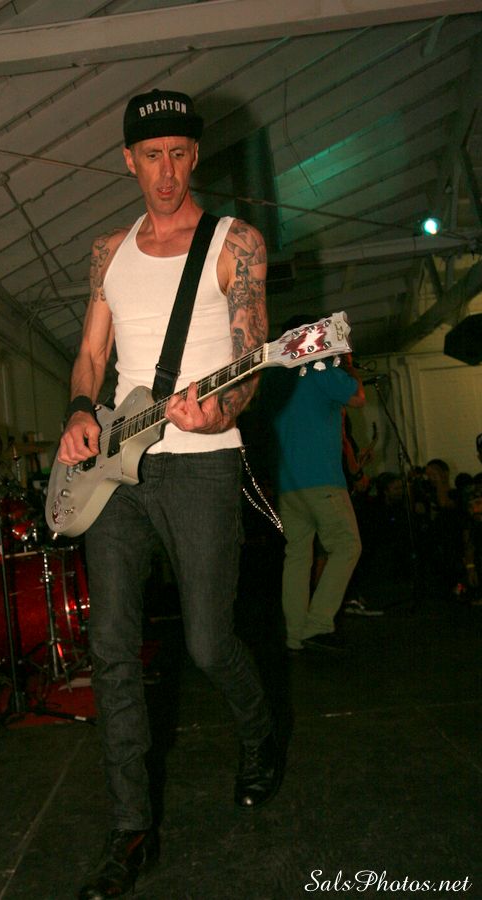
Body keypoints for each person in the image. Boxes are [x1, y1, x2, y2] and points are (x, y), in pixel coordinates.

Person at [57, 89, 282, 899]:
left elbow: (253, 358)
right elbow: (92, 356)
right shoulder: (107, 252)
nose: (167, 171)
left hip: (202, 464)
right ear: (128, 160)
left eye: (181, 154)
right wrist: (79, 412)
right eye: (152, 156)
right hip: (117, 472)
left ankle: (260, 736)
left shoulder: (235, 244)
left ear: (196, 156)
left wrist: (219, 407)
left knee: (208, 644)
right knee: (112, 649)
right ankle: (130, 830)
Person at [262, 343, 365, 652]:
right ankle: (318, 625)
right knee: (347, 545)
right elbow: (358, 397)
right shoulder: (322, 368)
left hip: (288, 483)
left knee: (297, 556)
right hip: (321, 479)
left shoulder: (277, 377)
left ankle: (295, 635)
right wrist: (348, 364)